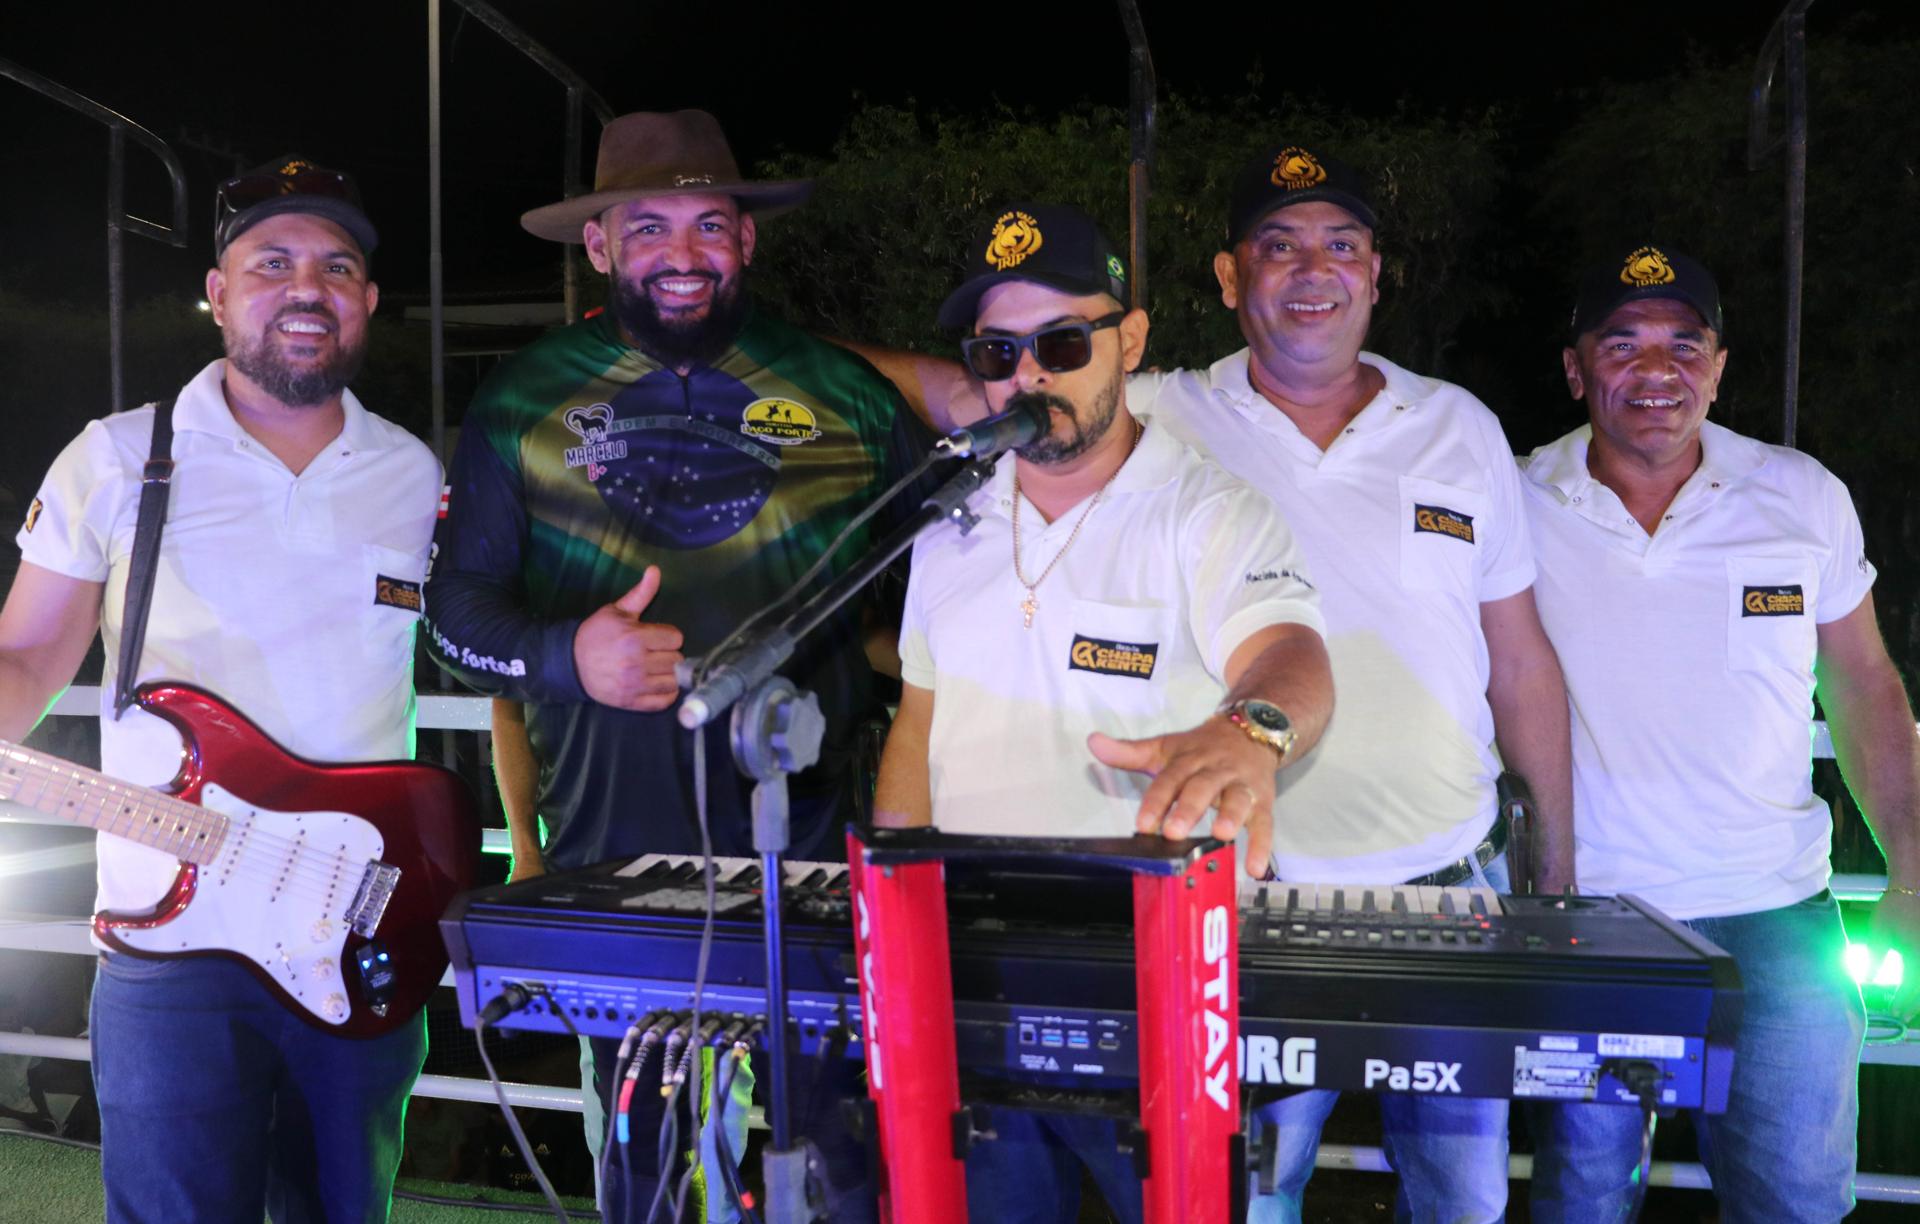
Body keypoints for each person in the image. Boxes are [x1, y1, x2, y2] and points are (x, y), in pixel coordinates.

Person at [423, 109, 935, 1221]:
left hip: (809, 872)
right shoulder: (521, 401)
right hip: (615, 875)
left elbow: (937, 614)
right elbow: (452, 625)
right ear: (599, 244)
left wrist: (852, 654)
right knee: (645, 1181)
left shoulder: (849, 397)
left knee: (840, 1171)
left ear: (748, 238)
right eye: (648, 226)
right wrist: (570, 655)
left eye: (710, 223)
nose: (683, 252)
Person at [1120, 142, 1575, 1223]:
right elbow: (984, 396)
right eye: (1277, 245)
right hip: (1249, 901)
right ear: (1229, 277)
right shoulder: (1157, 415)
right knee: (1250, 1196)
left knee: (1465, 1200)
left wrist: (1556, 877)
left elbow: (1519, 660)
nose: (1312, 269)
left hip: (1453, 892)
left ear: (1374, 274)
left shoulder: (1460, 426)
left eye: (1340, 244)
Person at [874, 202, 1334, 1223]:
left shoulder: (1210, 511)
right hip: (977, 977)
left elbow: (1291, 657)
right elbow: (918, 727)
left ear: (1129, 341)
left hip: (1159, 984)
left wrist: (1251, 732)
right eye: (998, 352)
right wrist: (894, 931)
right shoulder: (947, 526)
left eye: (1061, 344)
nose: (1027, 376)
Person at [0, 158, 439, 1222]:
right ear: (218, 293)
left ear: (369, 300)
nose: (307, 288)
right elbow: (26, 660)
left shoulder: (414, 474)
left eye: (338, 267)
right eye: (271, 263)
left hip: (360, 926)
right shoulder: (116, 459)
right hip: (169, 946)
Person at [1521, 245, 1920, 1222]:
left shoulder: (1801, 495)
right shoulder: (1516, 501)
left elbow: (1865, 687)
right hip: (1589, 920)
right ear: (1575, 369)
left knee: (1794, 1201)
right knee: (1582, 1203)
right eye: (1622, 344)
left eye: (1685, 344)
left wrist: (1911, 878)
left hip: (1778, 920)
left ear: (1720, 365)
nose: (1657, 369)